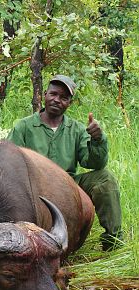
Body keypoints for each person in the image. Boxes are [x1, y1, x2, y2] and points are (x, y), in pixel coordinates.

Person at [7, 75, 123, 251]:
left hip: (68, 184)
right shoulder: (24, 127)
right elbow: (10, 163)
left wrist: (98, 139)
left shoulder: (76, 129)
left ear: (70, 103)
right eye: (53, 94)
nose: (57, 100)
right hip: (33, 185)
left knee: (105, 178)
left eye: (64, 97)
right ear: (44, 95)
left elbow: (94, 163)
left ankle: (112, 241)